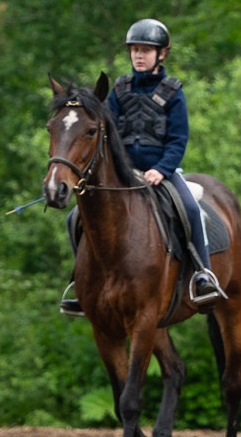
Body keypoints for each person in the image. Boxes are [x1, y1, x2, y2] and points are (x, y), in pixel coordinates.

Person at [59, 17, 224, 314]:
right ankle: (80, 282)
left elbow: (178, 139)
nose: (138, 55)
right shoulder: (119, 89)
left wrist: (161, 169)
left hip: (162, 171)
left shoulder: (173, 92)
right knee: (74, 217)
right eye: (134, 50)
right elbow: (106, 133)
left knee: (189, 208)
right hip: (125, 173)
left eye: (145, 50)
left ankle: (203, 274)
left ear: (161, 54)